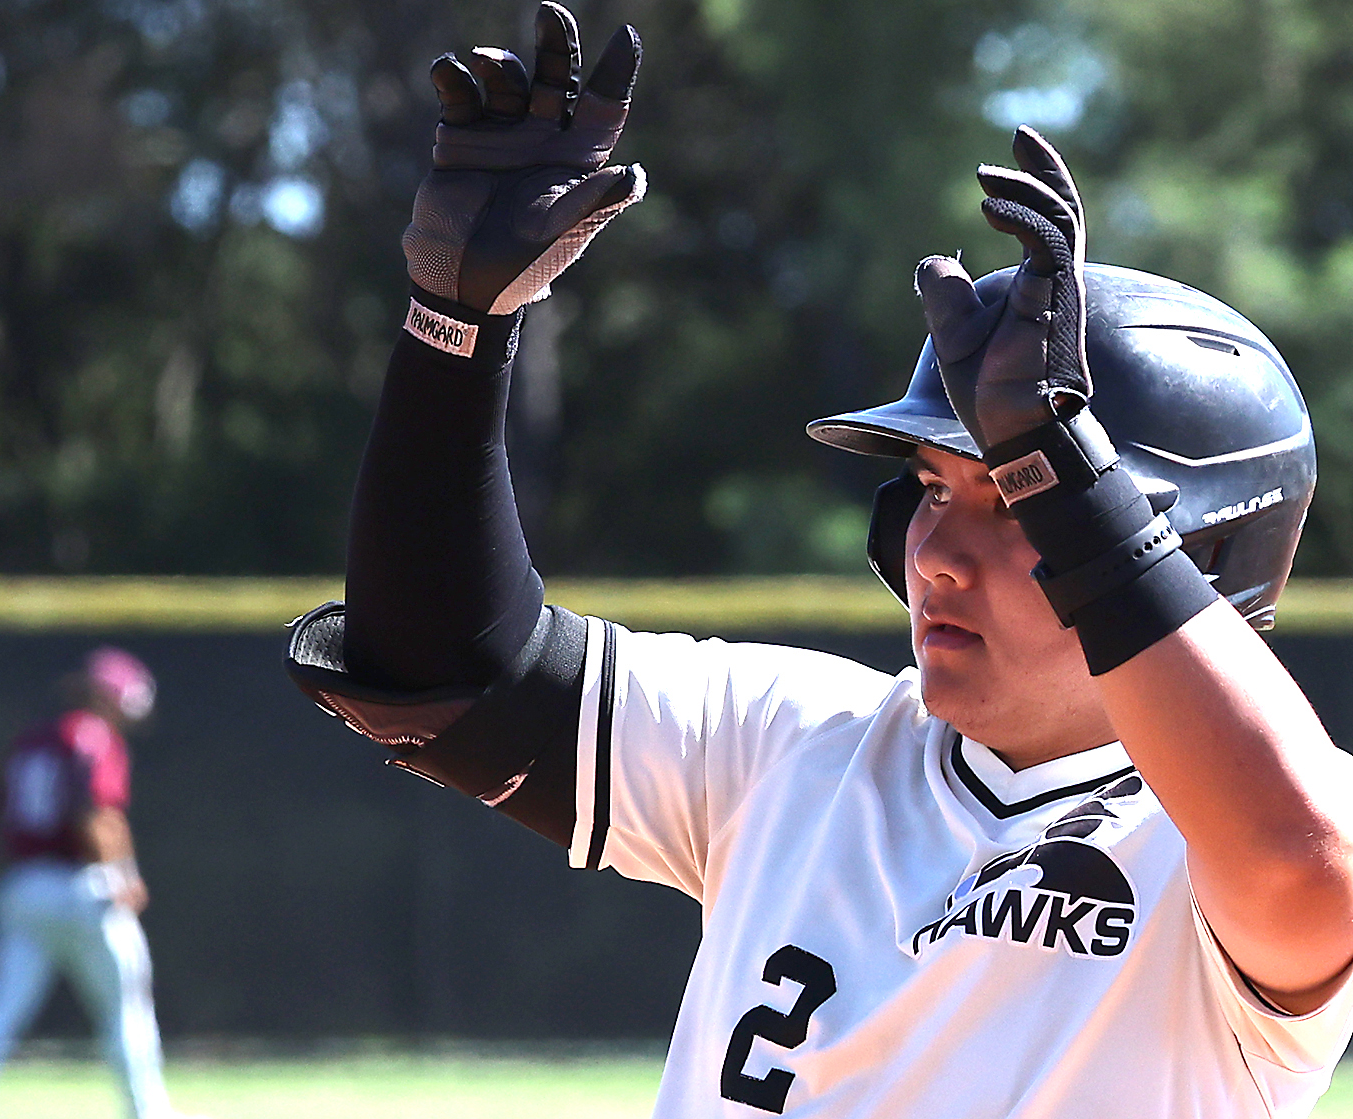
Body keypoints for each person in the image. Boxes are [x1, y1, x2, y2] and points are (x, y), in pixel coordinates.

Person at [285, 3, 1353, 1115]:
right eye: (935, 489)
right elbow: (444, 675)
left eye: (1016, 505)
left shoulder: (1216, 851)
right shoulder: (797, 743)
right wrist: (453, 333)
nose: (936, 552)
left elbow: (1300, 860)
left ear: (1199, 555)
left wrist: (1070, 481)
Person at [0, 647, 194, 1119]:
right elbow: (96, 811)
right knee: (127, 1008)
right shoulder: (95, 737)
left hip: (24, 885)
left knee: (0, 1006)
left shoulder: (31, 739)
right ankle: (148, 1111)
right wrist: (123, 872)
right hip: (84, 886)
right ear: (105, 697)